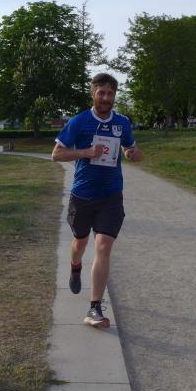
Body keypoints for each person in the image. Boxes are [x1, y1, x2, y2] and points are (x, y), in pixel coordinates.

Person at [51, 73, 143, 328]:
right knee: (80, 243)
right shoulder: (79, 122)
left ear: (114, 96)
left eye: (110, 93)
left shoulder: (122, 123)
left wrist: (133, 153)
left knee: (103, 246)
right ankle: (75, 265)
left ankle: (94, 309)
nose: (105, 97)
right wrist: (86, 152)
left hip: (111, 195)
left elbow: (129, 147)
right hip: (83, 195)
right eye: (101, 92)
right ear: (93, 94)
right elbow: (56, 154)